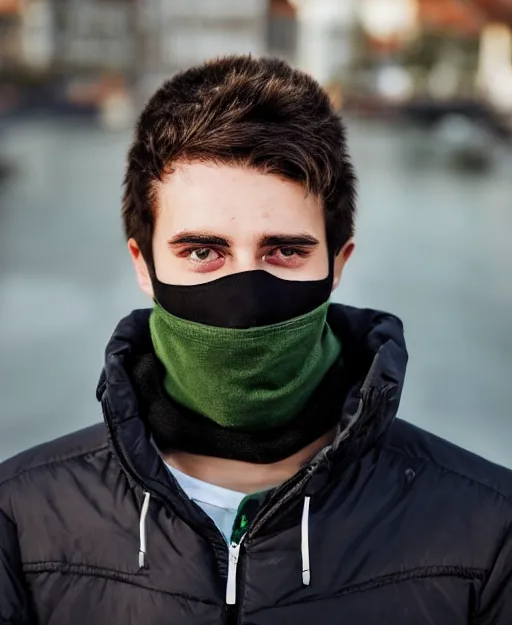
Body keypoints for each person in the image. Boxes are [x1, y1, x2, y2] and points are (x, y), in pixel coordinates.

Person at [0, 55, 511, 624]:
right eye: (202, 252)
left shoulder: (492, 533)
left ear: (337, 266)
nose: (244, 296)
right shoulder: (16, 522)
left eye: (285, 251)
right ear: (142, 266)